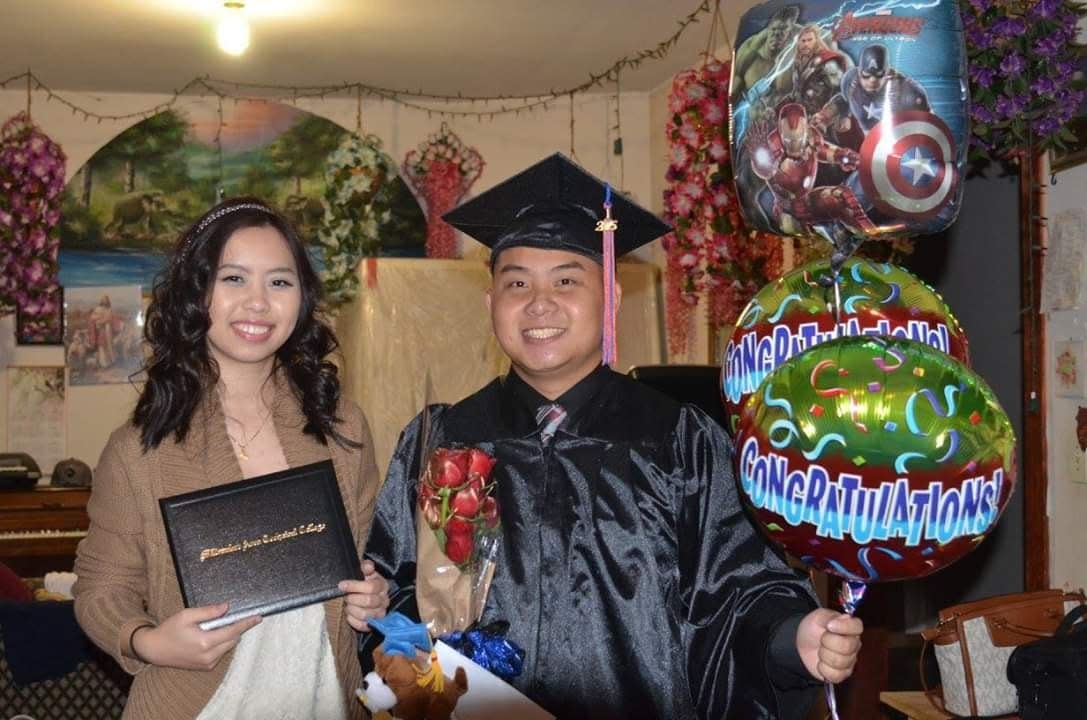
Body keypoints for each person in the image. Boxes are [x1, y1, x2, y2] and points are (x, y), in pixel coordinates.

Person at [363, 154, 863, 720]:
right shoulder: (443, 443)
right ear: (491, 305)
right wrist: (401, 642)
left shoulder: (680, 441)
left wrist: (791, 637)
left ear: (611, 300)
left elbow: (738, 591)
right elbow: (393, 593)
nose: (539, 303)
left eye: (567, 280)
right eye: (517, 282)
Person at [73, 197, 390, 720]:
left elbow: (367, 563)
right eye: (234, 279)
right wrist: (146, 641)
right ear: (197, 294)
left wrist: (373, 595)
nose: (258, 303)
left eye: (280, 282)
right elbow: (101, 587)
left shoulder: (343, 428)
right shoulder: (139, 449)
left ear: (303, 298)